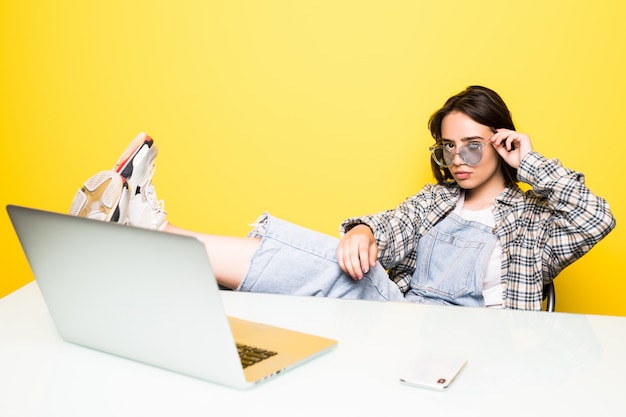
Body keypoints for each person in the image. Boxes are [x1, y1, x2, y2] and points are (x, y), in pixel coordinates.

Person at [69, 86, 616, 310]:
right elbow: (395, 222)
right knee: (339, 267)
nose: (460, 160)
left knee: (331, 277)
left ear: (502, 142)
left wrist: (532, 164)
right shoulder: (436, 202)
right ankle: (150, 235)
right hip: (402, 327)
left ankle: (146, 235)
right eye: (449, 148)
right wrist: (365, 233)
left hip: (488, 357)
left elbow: (598, 219)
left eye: (474, 145)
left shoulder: (535, 220)